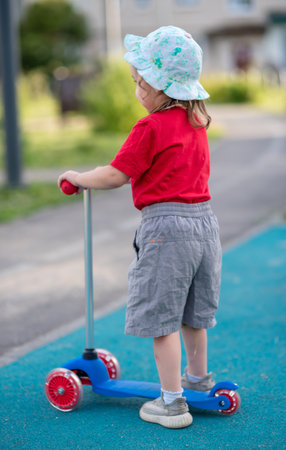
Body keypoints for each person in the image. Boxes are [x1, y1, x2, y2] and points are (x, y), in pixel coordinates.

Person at [58, 26, 222, 429]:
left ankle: (171, 403)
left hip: (166, 228)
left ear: (155, 86)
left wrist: (79, 178)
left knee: (162, 318)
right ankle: (197, 380)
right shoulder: (196, 122)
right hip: (205, 225)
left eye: (138, 82)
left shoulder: (150, 128)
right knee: (193, 315)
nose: (136, 89)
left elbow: (117, 174)